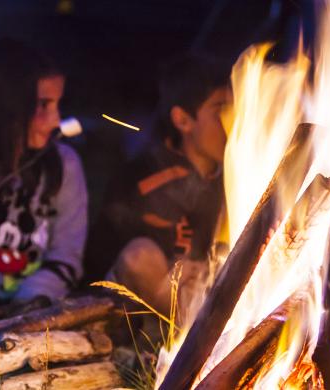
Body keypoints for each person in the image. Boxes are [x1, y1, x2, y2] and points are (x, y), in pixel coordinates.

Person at [85, 53, 231, 316]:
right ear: (183, 120)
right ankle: (197, 341)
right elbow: (126, 264)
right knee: (141, 257)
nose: (232, 121)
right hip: (136, 310)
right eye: (220, 109)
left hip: (203, 292)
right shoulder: (142, 179)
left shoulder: (236, 178)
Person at [0, 39, 88, 304]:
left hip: (32, 309)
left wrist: (28, 304)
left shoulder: (64, 165)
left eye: (57, 104)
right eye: (43, 105)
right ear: (7, 105)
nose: (56, 120)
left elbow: (66, 253)